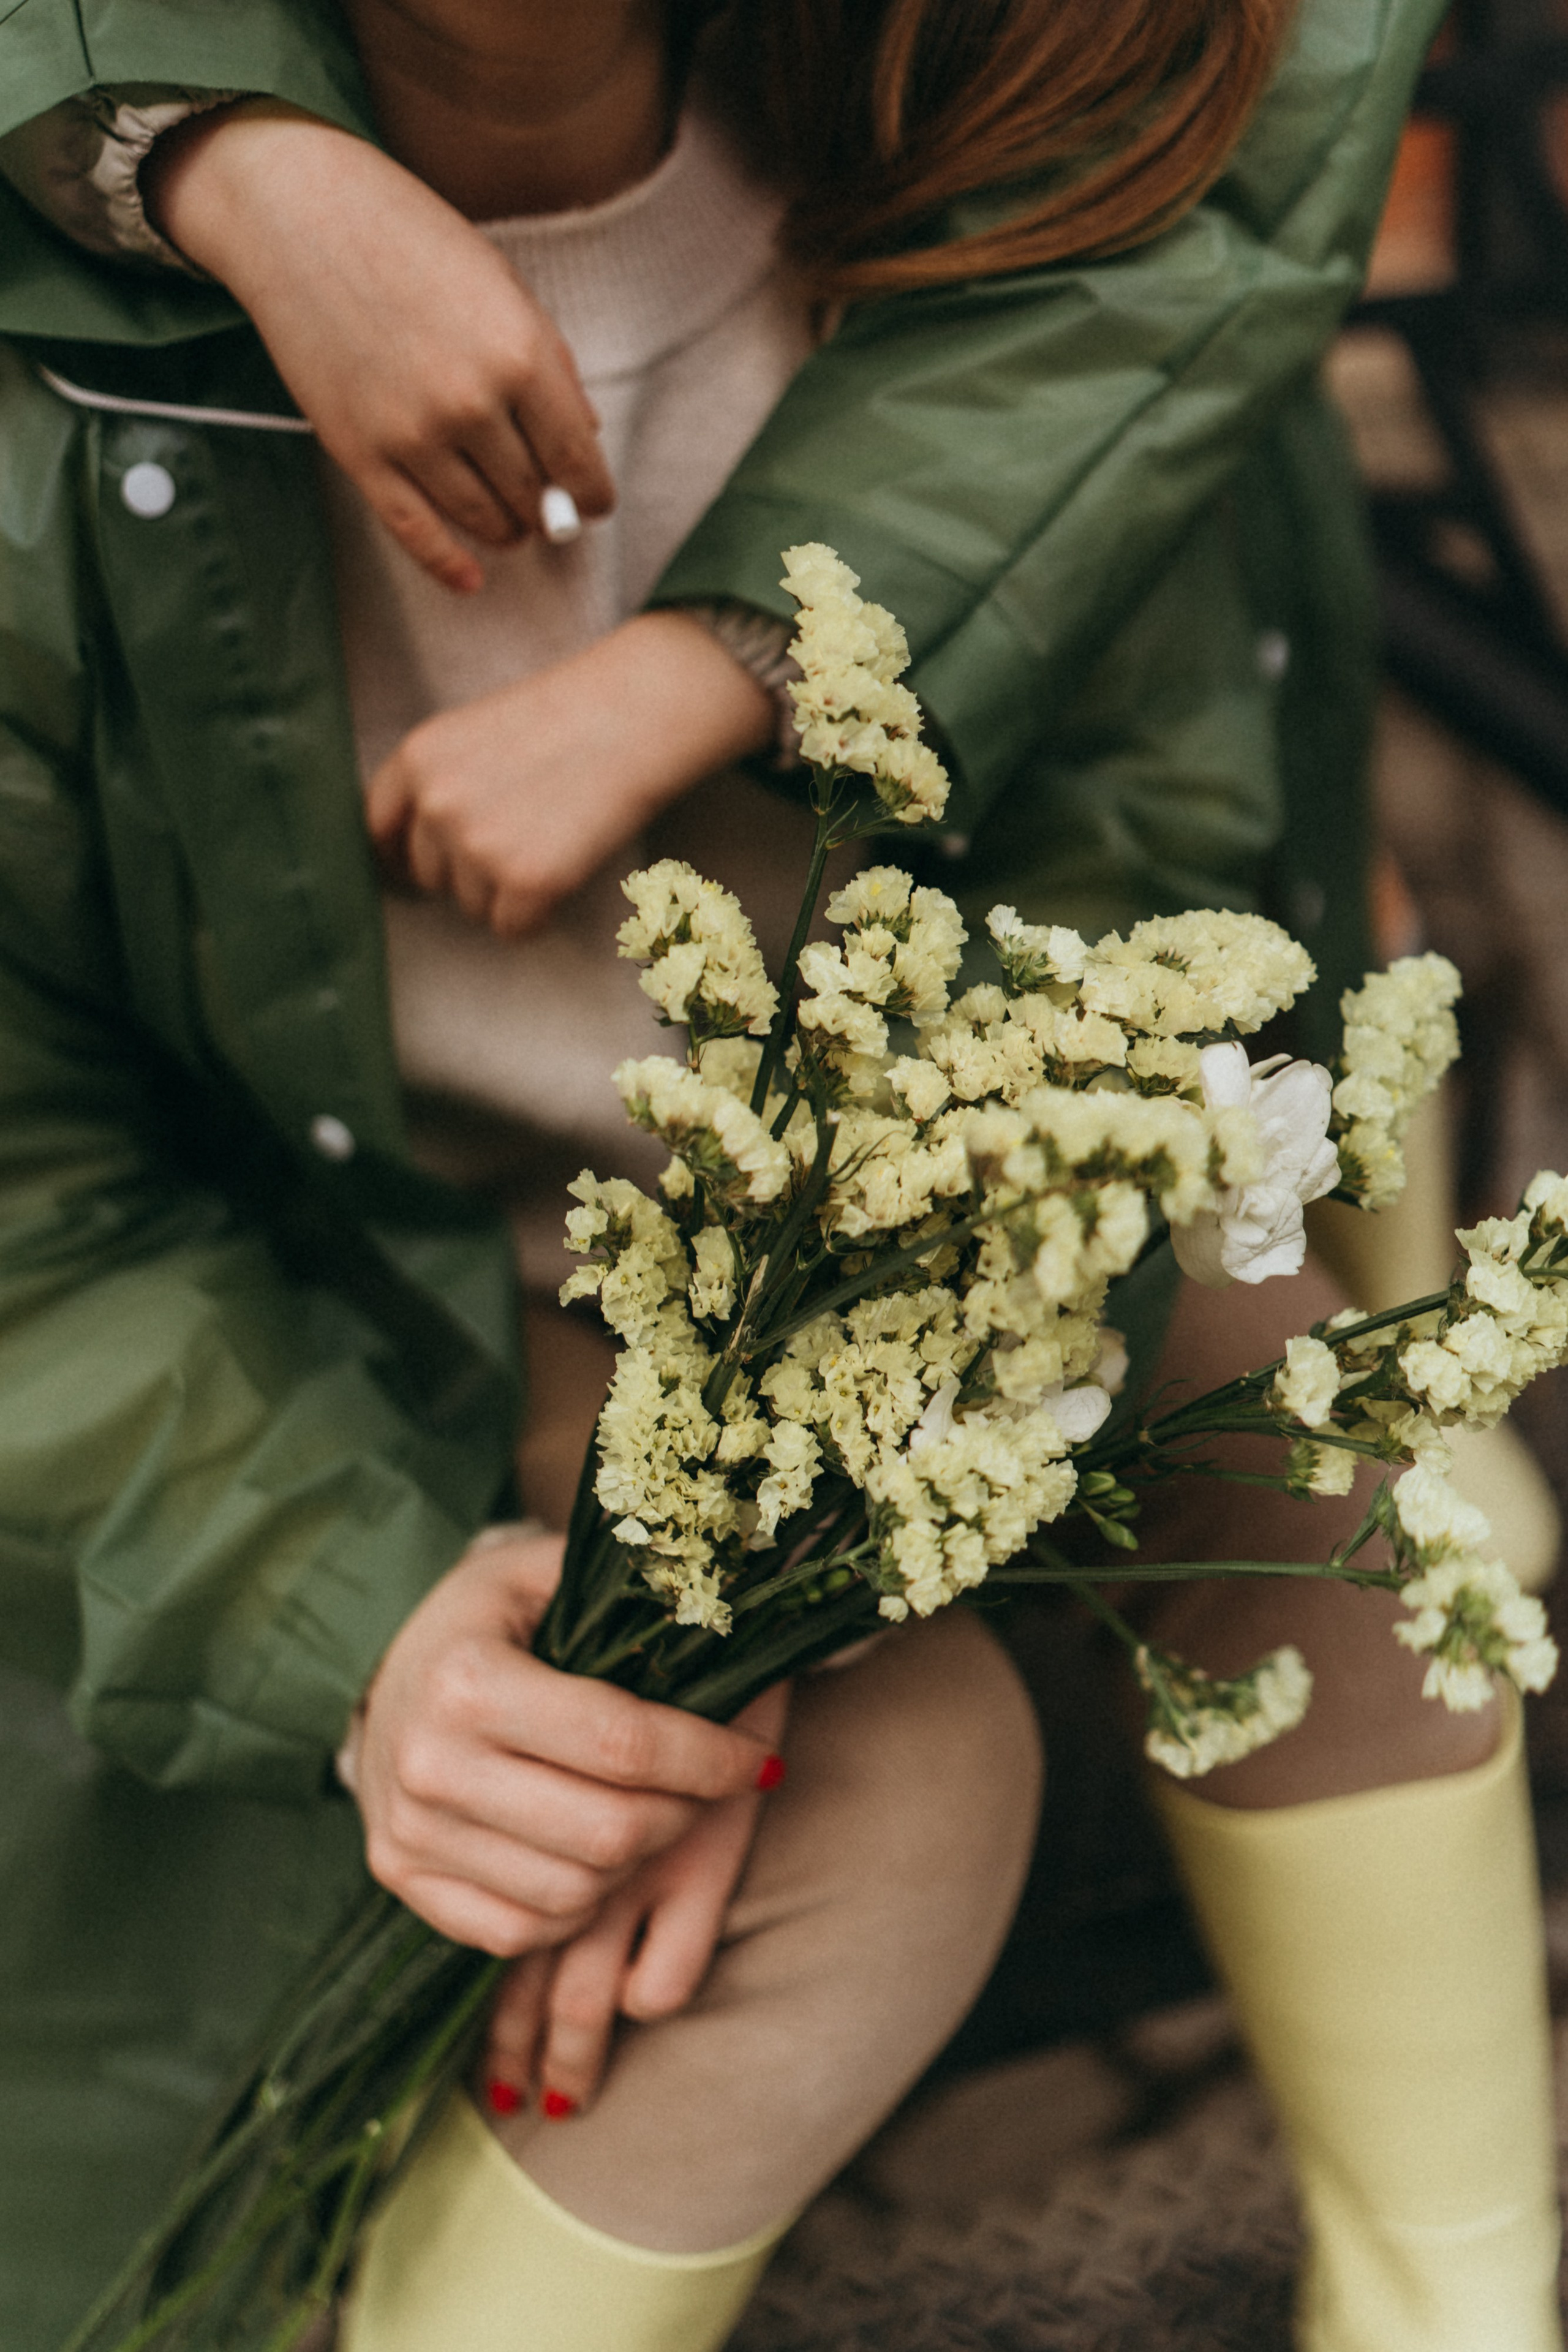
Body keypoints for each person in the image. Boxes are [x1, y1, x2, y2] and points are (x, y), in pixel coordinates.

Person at [0, 2, 1556, 2348]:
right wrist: (367, 1633)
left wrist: (785, 1517)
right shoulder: (70, 349)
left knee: (1323, 1489)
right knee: (883, 1792)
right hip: (343, 1299)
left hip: (848, 1239)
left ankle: (1458, 2314)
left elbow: (1126, 872)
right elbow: (35, 1185)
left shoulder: (1006, 156)